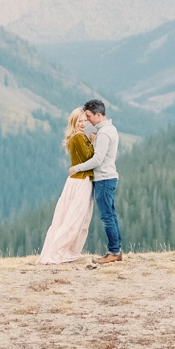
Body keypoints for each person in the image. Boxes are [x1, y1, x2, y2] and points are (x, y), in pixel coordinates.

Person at [38, 108, 96, 264]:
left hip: (74, 181)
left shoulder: (76, 136)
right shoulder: (79, 137)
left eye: (85, 120)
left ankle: (60, 251)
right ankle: (58, 252)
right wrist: (92, 142)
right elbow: (89, 158)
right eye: (80, 121)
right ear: (74, 122)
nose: (83, 124)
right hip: (81, 181)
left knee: (67, 216)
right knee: (75, 218)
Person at [70, 98, 121, 264]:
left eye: (89, 116)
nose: (88, 120)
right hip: (108, 177)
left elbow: (97, 159)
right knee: (110, 215)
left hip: (104, 179)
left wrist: (77, 168)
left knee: (107, 217)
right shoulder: (109, 129)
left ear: (98, 115)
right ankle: (116, 250)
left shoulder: (104, 133)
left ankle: (114, 252)